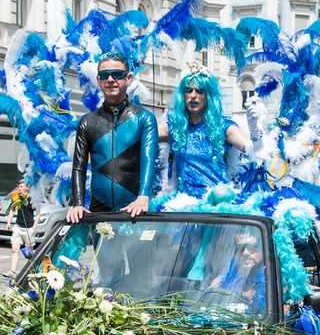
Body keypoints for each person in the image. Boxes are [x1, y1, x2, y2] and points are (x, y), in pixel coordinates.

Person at [66, 53, 159, 223]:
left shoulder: (144, 118)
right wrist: (78, 203)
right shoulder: (87, 122)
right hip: (99, 213)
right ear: (98, 80)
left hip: (135, 211)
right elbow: (79, 167)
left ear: (129, 78)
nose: (110, 79)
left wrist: (143, 196)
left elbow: (148, 160)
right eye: (104, 75)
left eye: (117, 74)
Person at [157, 66, 248, 196]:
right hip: (184, 203)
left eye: (200, 91)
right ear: (182, 95)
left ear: (208, 96)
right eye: (189, 90)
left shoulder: (223, 126)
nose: (193, 96)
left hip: (216, 203)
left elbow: (251, 149)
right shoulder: (175, 127)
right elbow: (144, 134)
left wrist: (256, 131)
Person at [210, 232, 267, 313]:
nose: (245, 253)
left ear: (264, 250)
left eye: (252, 247)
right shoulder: (220, 282)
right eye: (240, 248)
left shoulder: (274, 285)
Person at [7, 182, 36, 273]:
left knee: (29, 253)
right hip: (18, 227)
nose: (19, 188)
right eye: (19, 186)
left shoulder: (32, 199)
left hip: (29, 228)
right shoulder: (16, 198)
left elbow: (38, 214)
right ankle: (12, 271)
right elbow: (12, 210)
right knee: (14, 249)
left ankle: (32, 271)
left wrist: (34, 228)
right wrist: (8, 222)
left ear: (27, 188)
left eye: (21, 186)